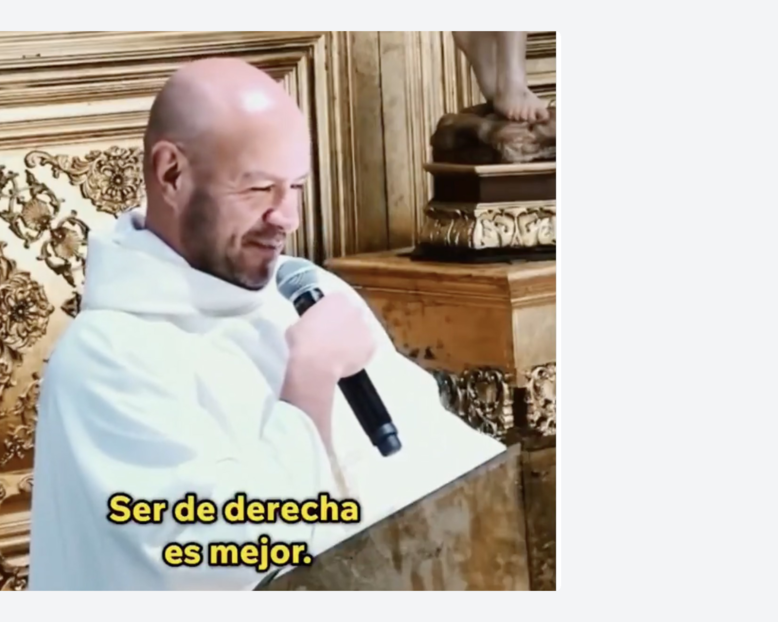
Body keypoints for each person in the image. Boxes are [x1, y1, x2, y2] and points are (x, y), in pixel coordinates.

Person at [27, 58, 505, 591]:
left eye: (295, 187)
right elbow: (216, 557)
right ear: (171, 174)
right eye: (258, 189)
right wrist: (307, 388)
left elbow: (439, 460)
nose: (288, 218)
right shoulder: (105, 358)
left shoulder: (306, 295)